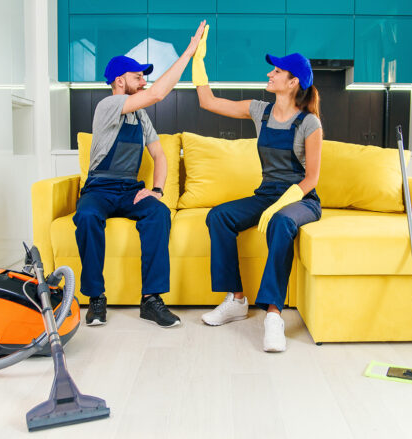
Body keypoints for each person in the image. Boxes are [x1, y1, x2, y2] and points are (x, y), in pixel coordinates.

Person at [192, 26, 323, 351]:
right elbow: (208, 101)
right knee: (218, 217)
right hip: (266, 194)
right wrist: (198, 59)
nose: (270, 73)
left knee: (281, 222)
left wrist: (283, 205)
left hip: (301, 199)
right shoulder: (259, 111)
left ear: (293, 82)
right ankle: (236, 300)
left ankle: (274, 316)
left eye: (276, 71)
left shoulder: (309, 123)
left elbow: (311, 179)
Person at [74, 20, 206, 328]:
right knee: (88, 217)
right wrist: (189, 51)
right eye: (138, 77)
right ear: (120, 81)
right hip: (99, 190)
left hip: (129, 190)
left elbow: (159, 154)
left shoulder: (140, 114)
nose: (144, 81)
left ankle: (151, 300)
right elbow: (159, 93)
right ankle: (95, 298)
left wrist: (157, 190)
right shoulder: (107, 106)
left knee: (158, 214)